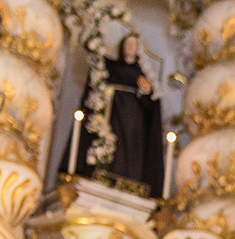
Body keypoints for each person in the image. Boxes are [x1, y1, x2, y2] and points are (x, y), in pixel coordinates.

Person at [70, 33, 166, 196]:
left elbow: (151, 106)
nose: (130, 48)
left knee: (131, 144)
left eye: (134, 45)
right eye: (128, 44)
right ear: (121, 46)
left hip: (134, 117)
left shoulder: (142, 73)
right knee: (113, 142)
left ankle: (129, 177)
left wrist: (146, 93)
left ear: (138, 50)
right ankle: (107, 172)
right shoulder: (111, 67)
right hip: (113, 112)